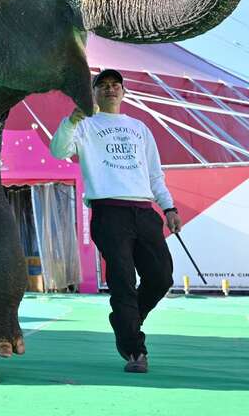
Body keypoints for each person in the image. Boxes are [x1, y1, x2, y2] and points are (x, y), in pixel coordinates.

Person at [50, 69, 182, 374]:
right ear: (95, 93)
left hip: (145, 211)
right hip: (109, 212)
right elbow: (58, 151)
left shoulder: (140, 128)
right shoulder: (85, 126)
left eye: (115, 85)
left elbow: (155, 176)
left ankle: (127, 321)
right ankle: (135, 350)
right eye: (103, 85)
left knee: (161, 277)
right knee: (123, 281)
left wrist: (170, 208)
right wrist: (72, 120)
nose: (110, 89)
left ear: (123, 92)